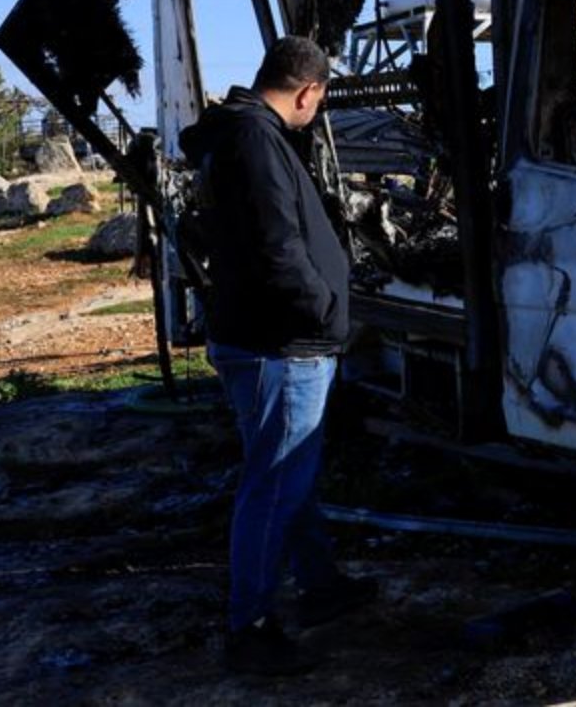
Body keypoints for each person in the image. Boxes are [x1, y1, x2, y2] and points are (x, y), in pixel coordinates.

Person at [180, 36, 374, 675]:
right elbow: (278, 247)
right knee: (272, 485)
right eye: (319, 100)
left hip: (264, 338)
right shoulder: (257, 141)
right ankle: (251, 627)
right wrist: (323, 310)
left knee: (291, 474)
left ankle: (319, 587)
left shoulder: (236, 136)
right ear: (308, 91)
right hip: (280, 345)